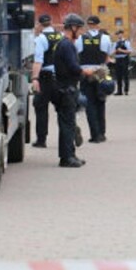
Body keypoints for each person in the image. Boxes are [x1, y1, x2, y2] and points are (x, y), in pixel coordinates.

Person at [54, 13, 94, 167]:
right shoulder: (67, 45)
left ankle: (70, 154)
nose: (81, 32)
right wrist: (86, 72)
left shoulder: (63, 43)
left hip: (64, 88)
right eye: (80, 28)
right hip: (66, 90)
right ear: (73, 27)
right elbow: (73, 67)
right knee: (67, 124)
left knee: (68, 123)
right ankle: (67, 158)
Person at [76, 16, 112, 143]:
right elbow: (108, 57)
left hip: (86, 73)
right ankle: (102, 133)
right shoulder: (106, 38)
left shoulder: (80, 38)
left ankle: (95, 134)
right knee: (101, 102)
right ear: (98, 24)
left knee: (89, 104)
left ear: (88, 24)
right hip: (101, 72)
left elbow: (77, 56)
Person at [30, 14, 62, 149]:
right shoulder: (61, 36)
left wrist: (34, 78)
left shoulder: (40, 39)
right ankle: (70, 134)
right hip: (60, 76)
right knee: (63, 108)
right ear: (51, 22)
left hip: (45, 77)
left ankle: (41, 139)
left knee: (41, 107)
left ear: (40, 25)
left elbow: (38, 60)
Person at [113, 29, 132, 95]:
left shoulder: (126, 42)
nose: (119, 35)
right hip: (118, 59)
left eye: (119, 34)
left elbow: (129, 51)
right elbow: (112, 52)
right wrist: (116, 51)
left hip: (124, 59)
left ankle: (126, 90)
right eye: (117, 34)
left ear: (122, 34)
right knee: (118, 76)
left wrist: (121, 50)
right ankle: (119, 91)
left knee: (125, 75)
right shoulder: (115, 43)